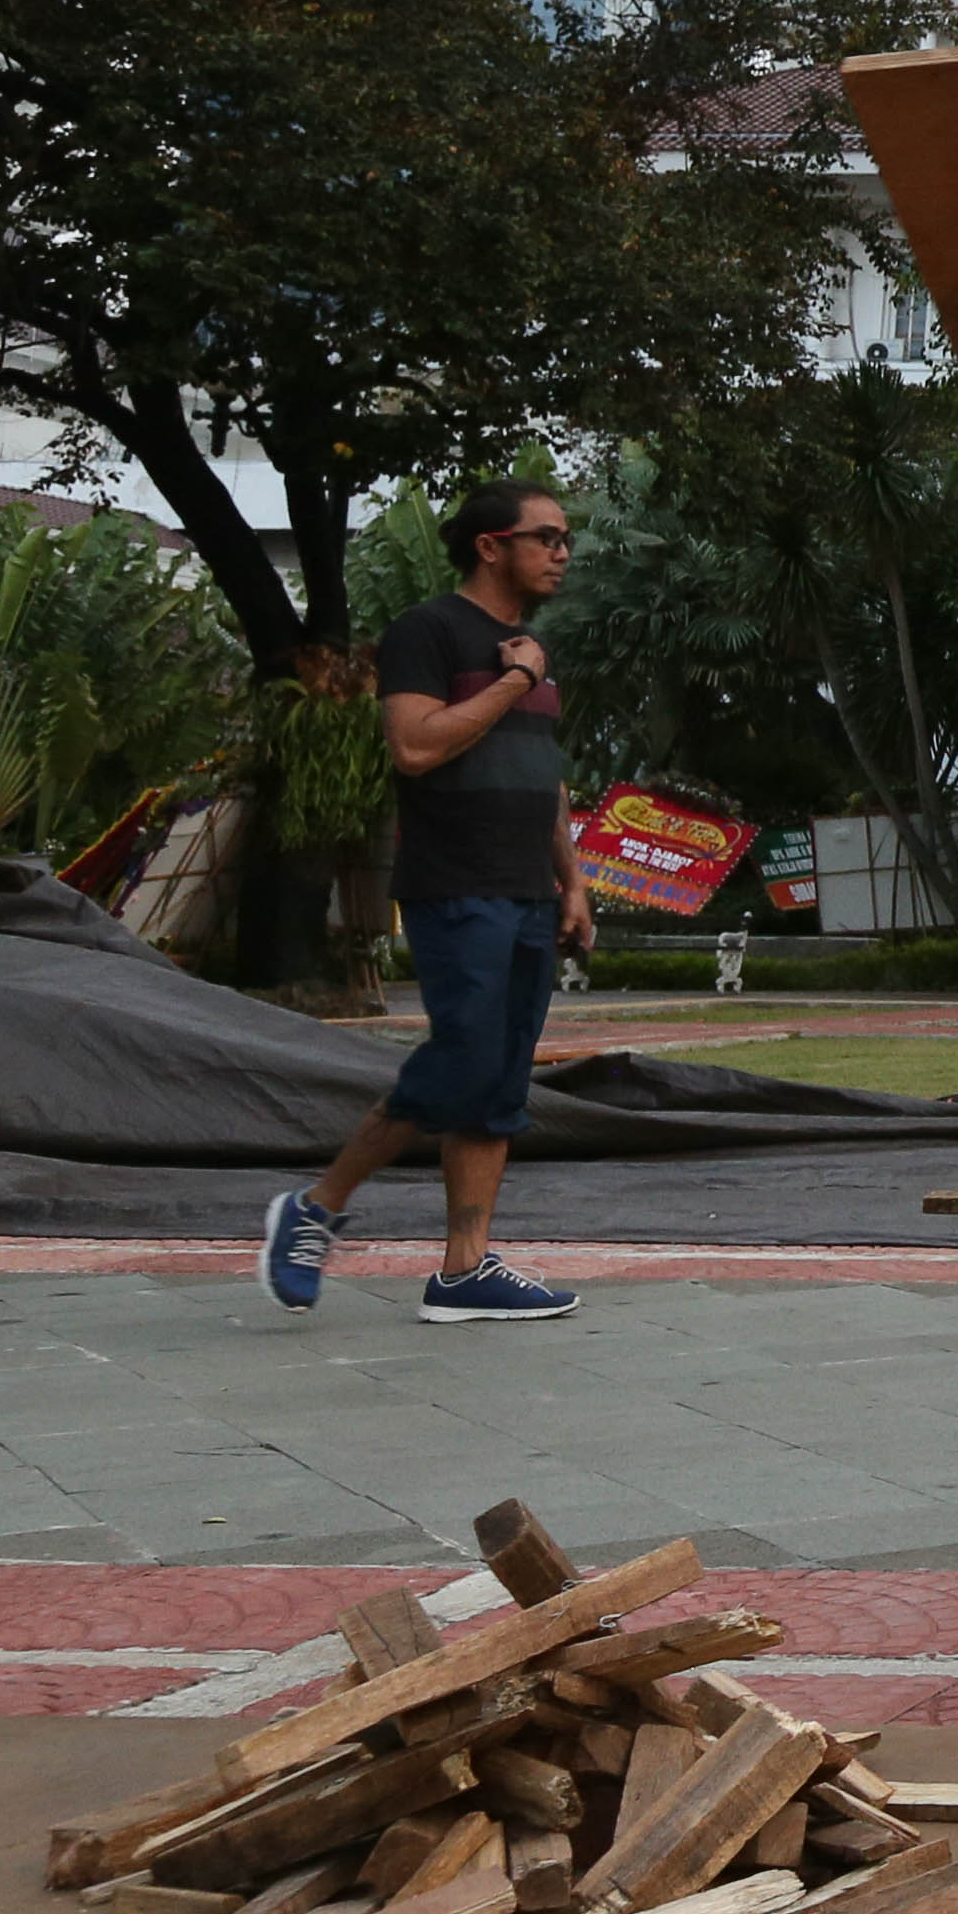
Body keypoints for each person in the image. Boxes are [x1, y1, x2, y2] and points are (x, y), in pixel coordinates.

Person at [259, 480, 590, 1324]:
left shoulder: (528, 648)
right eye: (546, 537)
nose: (562, 552)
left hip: (526, 890)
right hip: (456, 884)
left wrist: (573, 880)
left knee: (500, 1081)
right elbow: (413, 746)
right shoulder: (428, 631)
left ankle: (463, 1270)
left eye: (566, 539)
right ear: (490, 545)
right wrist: (513, 682)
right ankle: (317, 1208)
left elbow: (540, 776)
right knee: (463, 1060)